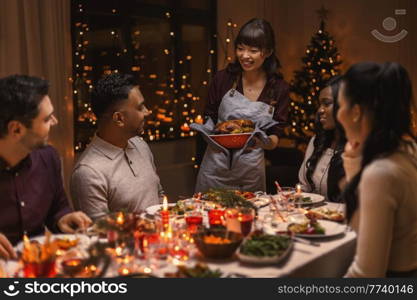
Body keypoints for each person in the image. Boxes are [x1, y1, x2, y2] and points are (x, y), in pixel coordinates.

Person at [337, 62, 417, 277]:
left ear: (355, 112)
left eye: (340, 106)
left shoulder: (380, 173)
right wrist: (355, 163)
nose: (338, 115)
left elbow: (367, 275)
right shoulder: (408, 150)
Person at [0, 75, 91, 259]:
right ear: (16, 129)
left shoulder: (48, 158)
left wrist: (63, 218)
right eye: (47, 119)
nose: (54, 122)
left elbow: (58, 208)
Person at [195, 18, 289, 192]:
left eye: (253, 50)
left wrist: (263, 142)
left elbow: (276, 134)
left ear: (267, 52)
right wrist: (209, 133)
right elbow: (209, 117)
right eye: (240, 48)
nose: (244, 56)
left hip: (250, 172)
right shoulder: (223, 79)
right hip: (215, 167)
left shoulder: (278, 88)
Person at [70, 73, 163, 221]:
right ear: (119, 118)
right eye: (140, 107)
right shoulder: (88, 172)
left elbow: (158, 195)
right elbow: (99, 234)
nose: (147, 112)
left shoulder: (140, 145)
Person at [298, 76, 346, 202]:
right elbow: (304, 188)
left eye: (327, 103)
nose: (320, 110)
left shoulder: (358, 148)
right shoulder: (316, 141)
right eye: (320, 104)